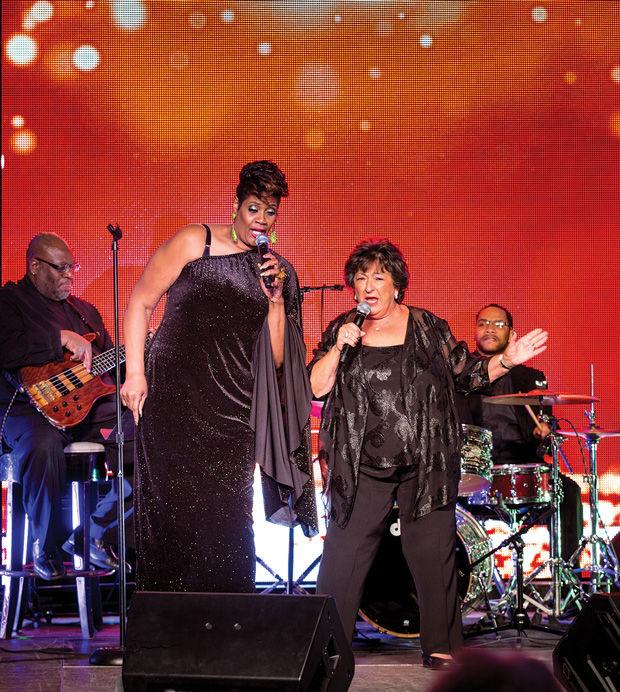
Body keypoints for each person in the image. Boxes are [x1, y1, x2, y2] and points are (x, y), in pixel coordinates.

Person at [308, 239, 548, 669]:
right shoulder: (342, 328)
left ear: (397, 285)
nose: (368, 286)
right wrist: (339, 346)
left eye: (378, 277)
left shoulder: (427, 327)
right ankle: (327, 645)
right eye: (360, 278)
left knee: (431, 550)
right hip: (361, 463)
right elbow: (316, 387)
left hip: (425, 458)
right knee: (343, 553)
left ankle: (441, 645)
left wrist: (507, 360)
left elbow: (466, 376)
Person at [121, 160, 317, 593]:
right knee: (168, 511)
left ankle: (227, 629)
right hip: (172, 396)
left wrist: (277, 300)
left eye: (270, 213)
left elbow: (280, 359)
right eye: (253, 209)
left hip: (233, 408)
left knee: (227, 519)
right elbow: (140, 302)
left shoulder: (278, 273)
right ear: (235, 205)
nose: (261, 221)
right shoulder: (196, 240)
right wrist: (135, 372)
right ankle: (166, 629)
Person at [0, 233, 132, 580]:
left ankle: (94, 532)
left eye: (72, 268)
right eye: (61, 269)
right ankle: (47, 546)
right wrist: (58, 338)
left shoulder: (85, 313)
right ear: (34, 267)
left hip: (86, 407)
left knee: (150, 436)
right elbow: (7, 350)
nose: (70, 276)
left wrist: (137, 354)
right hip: (25, 408)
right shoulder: (9, 302)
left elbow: (107, 367)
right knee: (41, 447)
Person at [458, 303, 583, 560]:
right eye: (483, 323)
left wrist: (545, 432)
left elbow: (547, 423)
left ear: (512, 334)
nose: (489, 329)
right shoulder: (461, 373)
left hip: (523, 466)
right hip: (473, 468)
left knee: (568, 492)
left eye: (498, 324)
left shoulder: (530, 377)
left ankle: (567, 574)